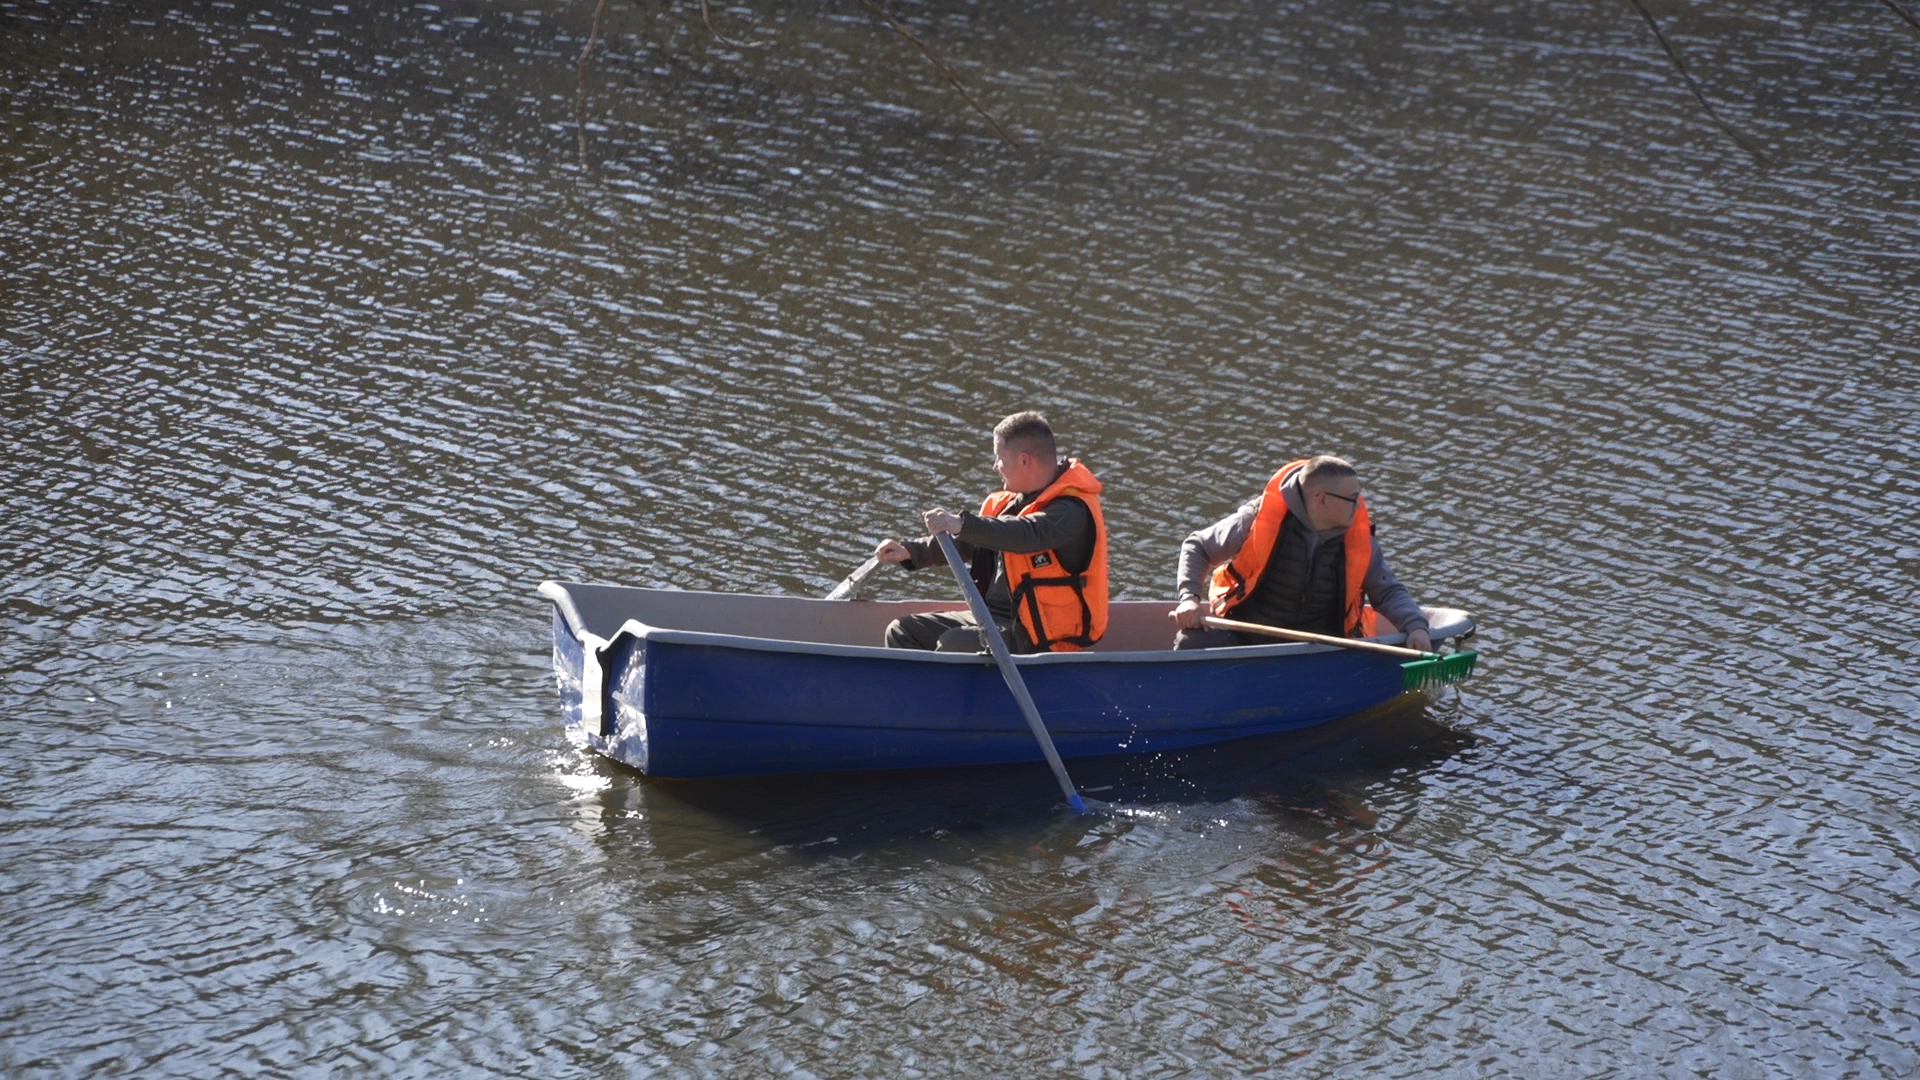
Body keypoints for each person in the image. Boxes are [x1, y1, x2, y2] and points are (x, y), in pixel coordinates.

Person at [875, 411, 1108, 654]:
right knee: (901, 630)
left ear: (1024, 460)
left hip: (1034, 635)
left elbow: (1026, 534)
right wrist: (911, 551)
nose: (995, 466)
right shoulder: (1010, 503)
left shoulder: (1070, 511)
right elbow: (968, 544)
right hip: (990, 620)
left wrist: (962, 523)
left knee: (953, 644)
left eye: (999, 458)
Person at [1168, 455, 1433, 652]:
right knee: (1190, 641)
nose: (1359, 505)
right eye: (1352, 498)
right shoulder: (1260, 517)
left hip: (1318, 648)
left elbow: (1388, 592)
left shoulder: (1358, 539)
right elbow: (1198, 546)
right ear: (1321, 499)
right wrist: (1189, 599)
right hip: (1248, 637)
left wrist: (1416, 626)